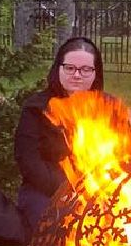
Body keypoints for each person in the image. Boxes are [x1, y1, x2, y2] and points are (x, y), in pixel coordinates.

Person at [15, 36, 107, 230]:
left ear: (95, 73)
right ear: (59, 69)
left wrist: (94, 190)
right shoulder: (36, 108)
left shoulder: (111, 109)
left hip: (98, 190)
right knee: (58, 229)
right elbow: (28, 161)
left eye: (85, 69)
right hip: (44, 190)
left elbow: (126, 157)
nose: (77, 75)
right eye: (70, 68)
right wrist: (65, 191)